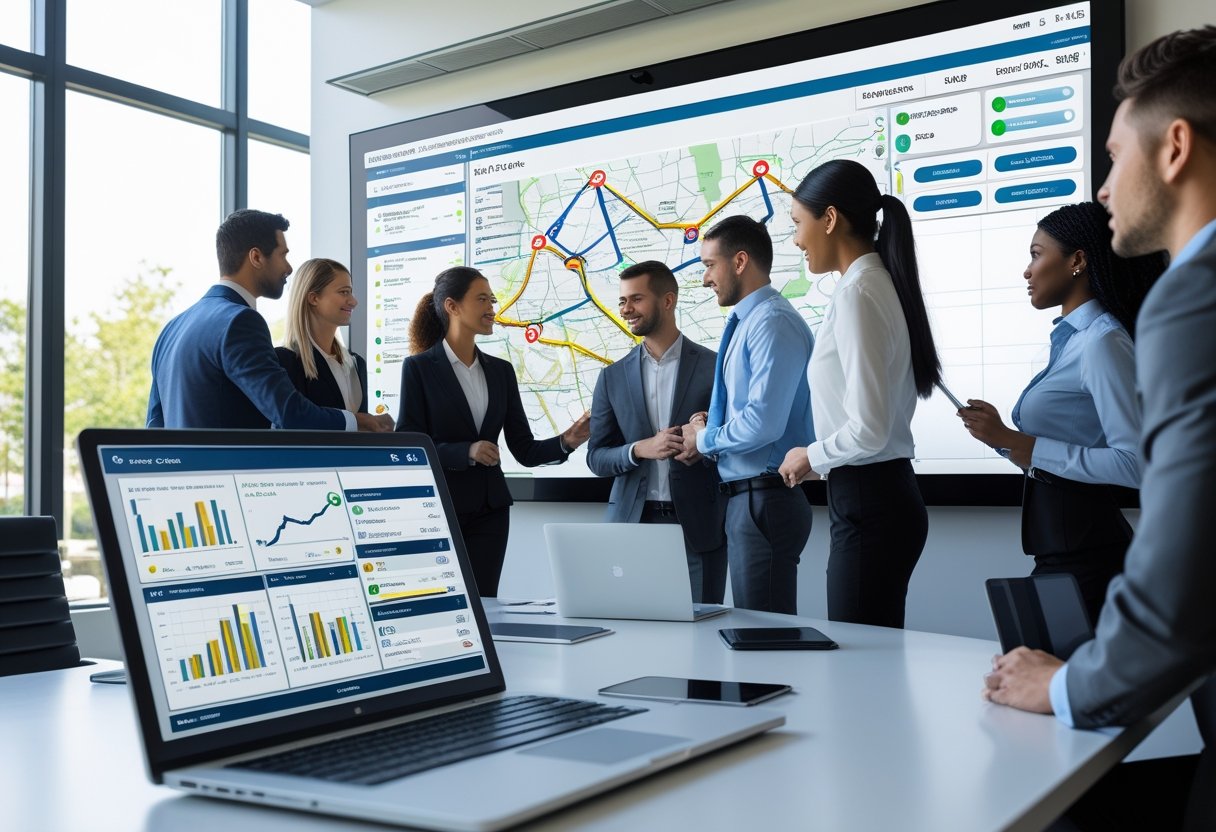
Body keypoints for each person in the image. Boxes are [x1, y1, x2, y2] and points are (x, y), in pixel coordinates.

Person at [982, 27, 1216, 830]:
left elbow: (1182, 559)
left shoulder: (1190, 299)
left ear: (1175, 147)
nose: (1107, 188)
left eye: (1116, 158)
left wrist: (1069, 684)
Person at [958, 202, 1164, 625]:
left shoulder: (1102, 343)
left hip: (1088, 557)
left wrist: (1021, 442)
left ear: (1077, 261)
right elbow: (1059, 451)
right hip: (1062, 552)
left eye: (1036, 254)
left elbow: (1137, 463)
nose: (1027, 270)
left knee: (1044, 683)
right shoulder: (1073, 341)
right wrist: (1001, 438)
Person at [775, 159, 940, 629]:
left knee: (859, 666)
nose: (796, 240)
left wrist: (811, 454)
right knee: (868, 664)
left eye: (797, 224)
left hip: (872, 500)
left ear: (829, 219)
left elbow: (869, 429)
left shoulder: (858, 293)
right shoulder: (869, 285)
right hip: (874, 497)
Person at [397, 266, 591, 598]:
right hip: (440, 510)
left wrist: (569, 439)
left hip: (491, 512)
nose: (492, 308)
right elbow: (408, 446)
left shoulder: (501, 372)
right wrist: (465, 452)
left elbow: (524, 449)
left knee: (485, 604)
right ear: (452, 306)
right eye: (482, 299)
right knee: (444, 605)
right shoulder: (418, 369)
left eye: (493, 299)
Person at [146, 210, 392, 432]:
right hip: (230, 478)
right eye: (282, 255)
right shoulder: (240, 321)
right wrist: (359, 420)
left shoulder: (171, 328)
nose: (288, 267)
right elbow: (288, 412)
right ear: (256, 257)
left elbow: (155, 425)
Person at [681, 215, 814, 614]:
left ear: (740, 262)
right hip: (748, 498)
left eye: (709, 265)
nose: (705, 279)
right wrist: (709, 427)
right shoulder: (748, 321)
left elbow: (762, 423)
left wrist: (704, 439)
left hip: (765, 499)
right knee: (756, 636)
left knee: (765, 639)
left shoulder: (772, 322)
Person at [587, 261, 728, 604]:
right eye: (622, 301)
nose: (626, 309)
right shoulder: (612, 377)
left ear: (668, 301)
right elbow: (596, 457)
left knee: (701, 632)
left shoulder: (716, 366)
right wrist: (639, 449)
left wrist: (706, 444)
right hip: (630, 526)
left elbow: (735, 440)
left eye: (636, 299)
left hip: (697, 527)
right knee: (631, 636)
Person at [276, 257, 383, 423]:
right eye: (344, 292)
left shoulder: (356, 364)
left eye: (351, 292)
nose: (354, 301)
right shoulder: (285, 361)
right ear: (313, 298)